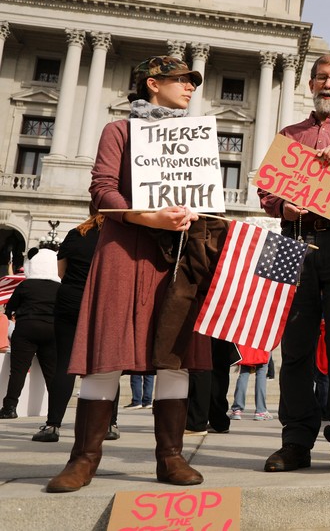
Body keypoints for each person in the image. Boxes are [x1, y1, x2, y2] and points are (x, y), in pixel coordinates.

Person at [46, 56, 211, 493]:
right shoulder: (119, 130)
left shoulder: (194, 140)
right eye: (181, 81)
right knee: (107, 351)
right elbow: (101, 190)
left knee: (174, 354)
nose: (190, 88)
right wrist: (149, 217)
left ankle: (170, 457)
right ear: (152, 84)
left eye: (192, 82)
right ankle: (84, 458)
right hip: (124, 249)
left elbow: (205, 197)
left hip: (177, 254)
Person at [259, 54, 330, 473]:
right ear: (310, 84)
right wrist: (282, 208)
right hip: (291, 239)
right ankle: (295, 439)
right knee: (293, 348)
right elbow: (267, 194)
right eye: (322, 78)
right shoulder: (288, 135)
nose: (328, 85)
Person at [34, 214, 120, 442]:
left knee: (64, 363)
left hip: (71, 300)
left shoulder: (76, 234)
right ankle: (110, 424)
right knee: (106, 364)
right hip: (104, 303)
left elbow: (61, 272)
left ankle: (52, 426)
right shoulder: (118, 239)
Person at [0, 249, 59, 419]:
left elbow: (9, 308)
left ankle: (9, 407)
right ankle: (55, 411)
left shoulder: (25, 285)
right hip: (51, 329)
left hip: (26, 328)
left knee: (18, 371)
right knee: (51, 374)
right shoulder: (59, 287)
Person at [230, 347, 272, 421]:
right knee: (261, 374)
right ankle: (260, 411)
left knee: (243, 374)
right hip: (263, 345)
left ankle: (237, 410)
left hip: (247, 345)